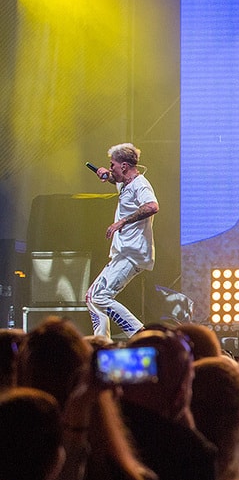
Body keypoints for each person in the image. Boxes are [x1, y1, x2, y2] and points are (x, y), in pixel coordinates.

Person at [86, 142, 159, 338]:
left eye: (113, 165)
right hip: (123, 253)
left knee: (100, 296)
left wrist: (122, 222)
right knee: (92, 297)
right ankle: (101, 341)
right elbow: (115, 180)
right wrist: (106, 175)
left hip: (132, 253)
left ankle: (140, 334)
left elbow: (152, 206)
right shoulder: (126, 184)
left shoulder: (140, 184)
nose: (111, 168)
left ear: (124, 166)